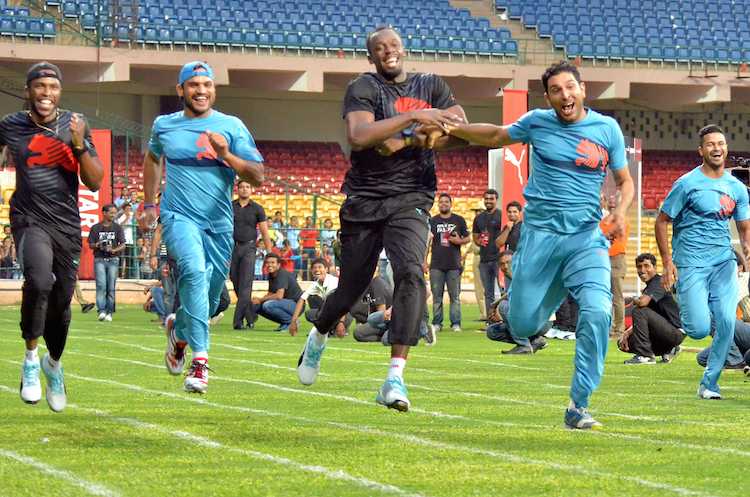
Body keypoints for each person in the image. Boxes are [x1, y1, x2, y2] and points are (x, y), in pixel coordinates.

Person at [438, 61, 634, 429]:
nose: (565, 95)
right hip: (540, 239)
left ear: (582, 89)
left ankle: (579, 404)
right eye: (557, 90)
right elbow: (497, 135)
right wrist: (458, 128)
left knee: (598, 311)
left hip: (585, 239)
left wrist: (621, 211)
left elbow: (625, 182)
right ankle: (513, 315)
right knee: (527, 324)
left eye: (570, 87)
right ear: (548, 97)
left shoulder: (607, 129)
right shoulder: (537, 122)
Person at [295, 26, 466, 411]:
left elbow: (459, 128)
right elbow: (360, 134)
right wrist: (416, 119)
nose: (388, 51)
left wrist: (417, 138)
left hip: (412, 197)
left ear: (404, 48)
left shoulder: (432, 84)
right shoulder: (363, 86)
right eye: (379, 48)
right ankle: (319, 333)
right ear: (370, 57)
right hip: (365, 199)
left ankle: (394, 377)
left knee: (410, 273)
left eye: (393, 45)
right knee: (352, 287)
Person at [142, 61, 264, 394]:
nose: (201, 91)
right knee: (193, 272)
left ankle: (178, 333)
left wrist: (227, 155)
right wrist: (151, 204)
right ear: (180, 90)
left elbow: (257, 174)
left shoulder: (231, 126)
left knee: (210, 302)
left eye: (207, 85)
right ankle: (200, 362)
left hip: (219, 223)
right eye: (194, 84)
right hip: (179, 216)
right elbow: (153, 159)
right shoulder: (164, 126)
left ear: (214, 90)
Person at [2, 61, 103, 411]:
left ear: (60, 92)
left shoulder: (75, 124)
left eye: (53, 87)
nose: (46, 93)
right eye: (40, 86)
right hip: (29, 219)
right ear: (28, 90)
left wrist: (78, 144)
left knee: (61, 306)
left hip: (67, 226)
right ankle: (30, 360)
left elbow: (95, 180)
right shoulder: (12, 126)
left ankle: (53, 366)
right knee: (39, 280)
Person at [656, 124, 750, 400]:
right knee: (697, 328)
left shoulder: (736, 187)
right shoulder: (686, 184)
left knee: (727, 323)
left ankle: (710, 383)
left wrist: (746, 250)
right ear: (701, 150)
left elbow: (744, 227)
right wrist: (666, 262)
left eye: (720, 143)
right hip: (691, 262)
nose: (717, 148)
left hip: (723, 262)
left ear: (726, 147)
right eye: (710, 144)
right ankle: (687, 299)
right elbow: (662, 221)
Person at [618, 253, 683, 364]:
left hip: (675, 332)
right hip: (664, 332)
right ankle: (668, 350)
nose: (642, 270)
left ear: (655, 268)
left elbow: (642, 304)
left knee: (639, 310)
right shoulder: (650, 288)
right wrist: (627, 333)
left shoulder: (659, 281)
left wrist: (634, 299)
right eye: (639, 266)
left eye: (646, 266)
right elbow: (648, 318)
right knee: (625, 342)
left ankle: (645, 356)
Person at [486, 250, 549, 354]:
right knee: (492, 331)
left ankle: (523, 345)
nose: (505, 266)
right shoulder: (510, 277)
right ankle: (536, 341)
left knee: (504, 306)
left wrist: (496, 305)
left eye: (509, 262)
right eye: (502, 264)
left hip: (542, 320)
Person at [231, 179, 272, 330]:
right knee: (235, 282)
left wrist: (269, 253)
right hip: (233, 248)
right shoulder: (230, 206)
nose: (244, 189)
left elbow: (264, 232)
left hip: (249, 248)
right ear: (238, 189)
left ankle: (237, 321)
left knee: (245, 286)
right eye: (241, 187)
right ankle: (250, 317)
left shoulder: (257, 208)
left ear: (251, 190)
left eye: (247, 186)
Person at [426, 192, 470, 333]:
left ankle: (455, 323)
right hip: (436, 265)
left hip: (453, 264)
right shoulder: (433, 221)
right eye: (441, 202)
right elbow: (427, 242)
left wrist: (459, 241)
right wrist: (424, 261)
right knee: (437, 297)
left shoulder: (459, 220)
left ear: (451, 204)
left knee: (455, 297)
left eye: (446, 202)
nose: (443, 204)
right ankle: (437, 323)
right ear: (438, 204)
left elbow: (468, 238)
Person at [289, 258, 349, 337]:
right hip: (334, 312)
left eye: (320, 267)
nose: (317, 270)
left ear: (326, 269)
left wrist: (341, 322)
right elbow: (302, 299)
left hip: (345, 312)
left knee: (326, 309)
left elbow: (342, 302)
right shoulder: (315, 284)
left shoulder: (333, 282)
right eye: (314, 267)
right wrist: (293, 321)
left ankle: (339, 327)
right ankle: (328, 330)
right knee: (310, 313)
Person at [88, 203, 126, 322]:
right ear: (104, 213)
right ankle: (101, 310)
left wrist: (114, 250)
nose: (113, 215)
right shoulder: (95, 228)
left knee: (111, 286)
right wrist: (98, 245)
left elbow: (123, 244)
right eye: (111, 212)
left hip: (113, 260)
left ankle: (110, 311)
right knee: (101, 286)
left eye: (114, 213)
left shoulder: (117, 228)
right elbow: (90, 244)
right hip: (99, 259)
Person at [249, 253, 303, 331]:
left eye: (272, 262)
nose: (269, 265)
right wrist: (258, 300)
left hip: (296, 304)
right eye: (267, 262)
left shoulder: (281, 274)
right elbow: (270, 293)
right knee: (258, 306)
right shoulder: (271, 275)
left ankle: (292, 321)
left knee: (268, 305)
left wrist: (260, 299)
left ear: (278, 265)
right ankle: (285, 323)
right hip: (284, 303)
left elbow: (278, 296)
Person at [600, 195, 628, 338]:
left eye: (614, 200)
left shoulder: (620, 219)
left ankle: (619, 329)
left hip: (616, 258)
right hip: (603, 257)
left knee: (617, 296)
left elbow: (604, 236)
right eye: (609, 200)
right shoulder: (604, 220)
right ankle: (609, 328)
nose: (612, 203)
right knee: (606, 296)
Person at [472, 189, 503, 318]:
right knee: (488, 293)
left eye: (491, 199)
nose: (488, 201)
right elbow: (475, 236)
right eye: (486, 199)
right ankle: (490, 319)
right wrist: (479, 241)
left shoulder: (501, 216)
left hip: (499, 259)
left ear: (496, 200)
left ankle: (505, 317)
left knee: (503, 291)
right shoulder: (479, 218)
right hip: (484, 259)